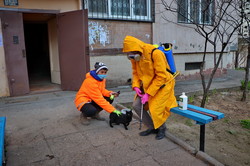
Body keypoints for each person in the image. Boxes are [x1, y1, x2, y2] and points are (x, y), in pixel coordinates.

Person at [123, 36, 178, 140]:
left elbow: (161, 76)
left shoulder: (156, 53)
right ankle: (152, 127)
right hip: (147, 84)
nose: (131, 54)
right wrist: (135, 86)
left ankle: (162, 128)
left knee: (155, 108)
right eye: (129, 53)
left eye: (132, 52)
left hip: (163, 84)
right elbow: (135, 73)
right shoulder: (134, 56)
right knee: (136, 105)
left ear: (137, 48)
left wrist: (148, 94)